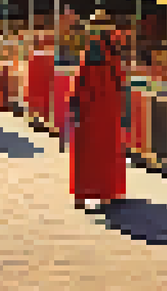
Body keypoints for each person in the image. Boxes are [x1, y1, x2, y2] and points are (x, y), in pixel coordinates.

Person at [69, 12, 127, 212]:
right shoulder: (108, 49)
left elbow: (81, 77)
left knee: (89, 150)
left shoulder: (98, 49)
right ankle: (103, 193)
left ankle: (90, 193)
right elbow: (116, 78)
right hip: (103, 105)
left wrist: (74, 99)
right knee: (102, 149)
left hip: (95, 105)